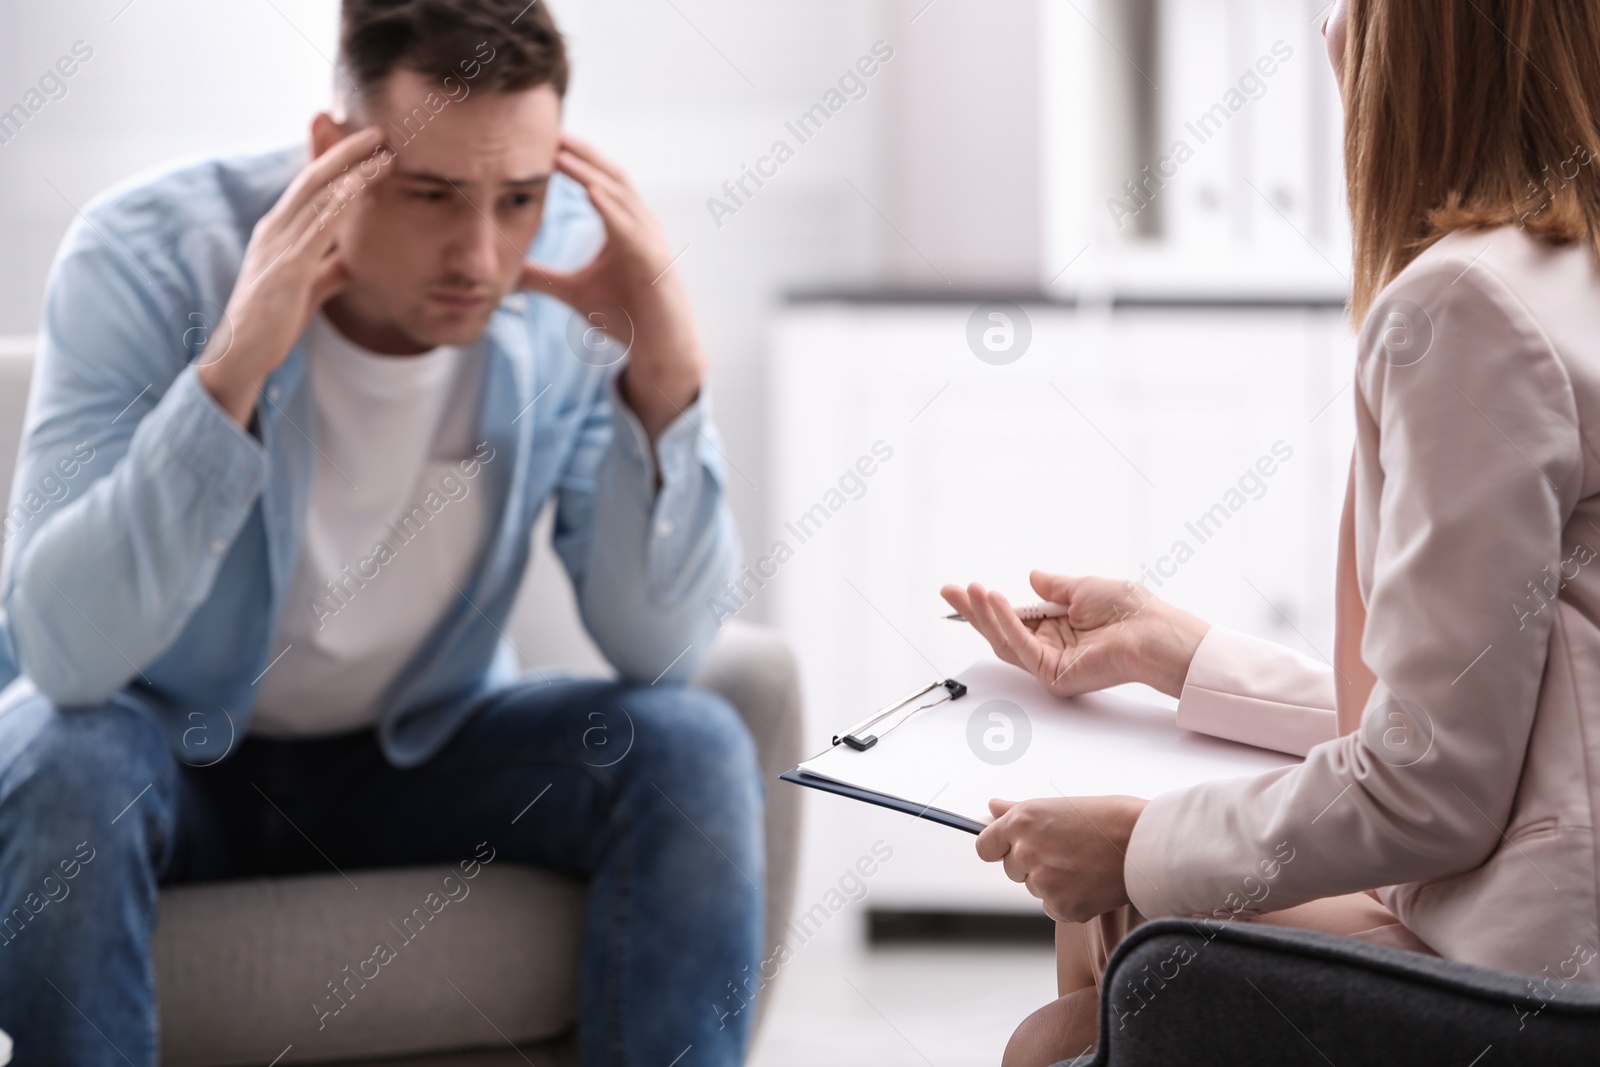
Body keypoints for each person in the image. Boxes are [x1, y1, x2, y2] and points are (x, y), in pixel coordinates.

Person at [0, 2, 763, 1064]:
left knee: (692, 748)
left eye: (521, 197)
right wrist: (229, 376)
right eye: (432, 193)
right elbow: (63, 657)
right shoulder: (147, 254)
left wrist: (666, 387)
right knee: (59, 754)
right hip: (163, 754)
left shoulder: (575, 283)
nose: (481, 254)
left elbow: (658, 646)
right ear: (335, 152)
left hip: (420, 760)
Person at [943, 0, 1600, 1062]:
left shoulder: (1468, 309)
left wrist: (1135, 842)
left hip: (1530, 973)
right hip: (1552, 910)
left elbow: (1430, 787)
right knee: (1101, 940)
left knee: (1069, 1003)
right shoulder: (1561, 271)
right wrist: (1184, 652)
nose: (1330, 37)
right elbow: (1494, 709)